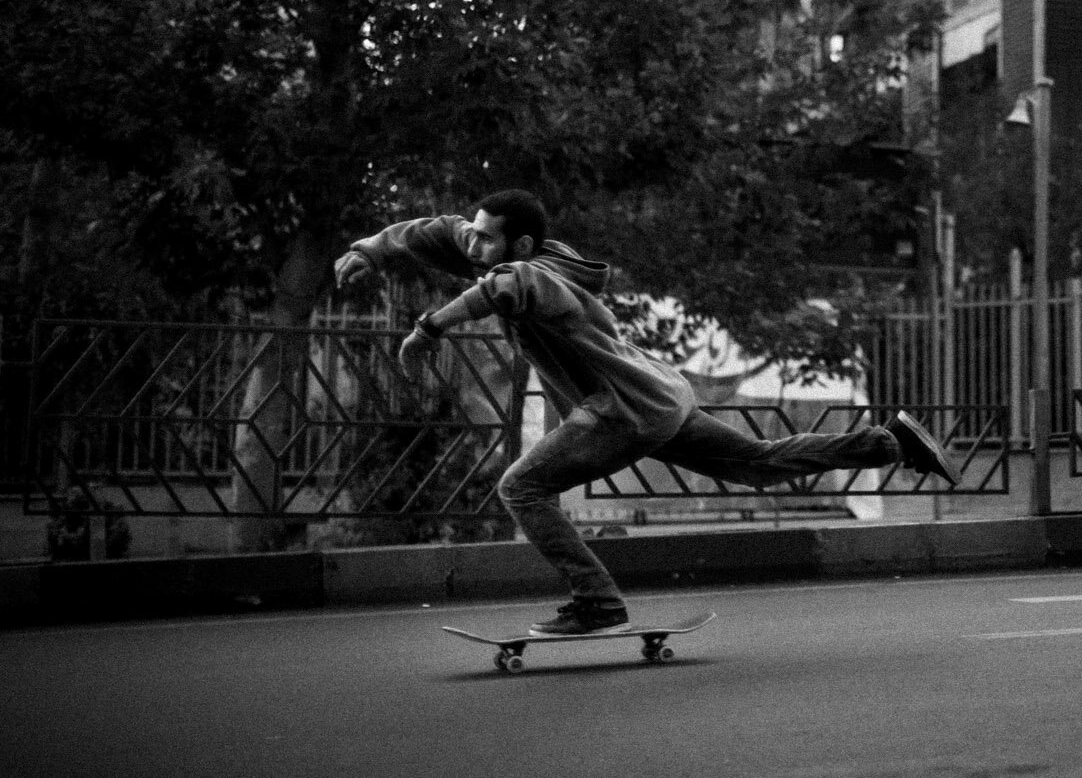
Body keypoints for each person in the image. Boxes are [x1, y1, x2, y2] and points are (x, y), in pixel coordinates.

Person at [334, 189, 959, 635]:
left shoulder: (542, 273)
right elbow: (431, 230)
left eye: (484, 236)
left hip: (623, 411)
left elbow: (508, 286)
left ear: (519, 243)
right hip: (657, 396)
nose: (471, 241)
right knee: (757, 465)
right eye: (472, 230)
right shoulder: (486, 242)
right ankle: (887, 443)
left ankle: (596, 602)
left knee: (521, 488)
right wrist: (369, 250)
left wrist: (430, 327)